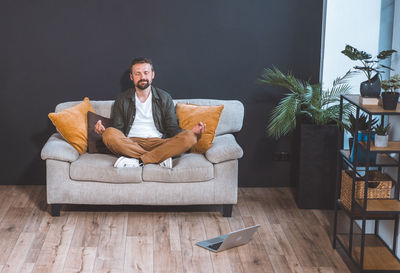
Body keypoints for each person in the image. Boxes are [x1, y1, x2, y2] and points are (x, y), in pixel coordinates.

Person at [94, 57, 206, 168]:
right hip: (131, 143)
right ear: (131, 77)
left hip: (159, 143)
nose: (142, 77)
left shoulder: (165, 98)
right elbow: (118, 130)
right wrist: (103, 132)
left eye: (146, 73)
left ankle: (138, 161)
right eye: (138, 73)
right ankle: (159, 158)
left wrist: (191, 133)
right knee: (109, 133)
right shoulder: (121, 99)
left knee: (190, 138)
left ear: (152, 75)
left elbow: (172, 128)